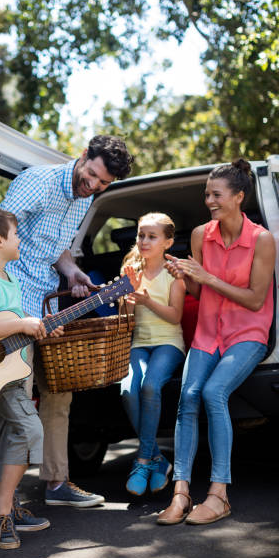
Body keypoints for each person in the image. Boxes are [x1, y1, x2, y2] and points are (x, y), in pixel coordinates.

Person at [0, 136, 133, 507]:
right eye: (91, 175)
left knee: (59, 394)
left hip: (46, 307)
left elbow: (58, 249)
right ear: (83, 155)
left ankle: (57, 483)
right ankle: (6, 504)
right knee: (17, 403)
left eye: (103, 184)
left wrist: (72, 272)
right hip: (11, 305)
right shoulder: (36, 183)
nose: (93, 186)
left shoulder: (84, 198)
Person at [158, 159, 275, 526]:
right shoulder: (199, 235)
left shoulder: (262, 240)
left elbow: (256, 299)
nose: (209, 200)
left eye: (217, 194)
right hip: (208, 332)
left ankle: (219, 494)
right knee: (188, 398)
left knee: (213, 393)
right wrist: (185, 275)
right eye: (207, 194)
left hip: (248, 334)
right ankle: (180, 493)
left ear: (239, 197)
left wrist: (206, 275)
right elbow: (197, 289)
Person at [0, 207, 64, 549]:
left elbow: (10, 327)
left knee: (9, 439)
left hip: (15, 369)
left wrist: (38, 328)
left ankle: (9, 506)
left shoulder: (9, 277)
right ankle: (2, 514)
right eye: (16, 234)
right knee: (30, 429)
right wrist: (23, 323)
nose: (20, 240)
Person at [120, 213, 186, 496]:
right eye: (141, 235)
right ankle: (159, 458)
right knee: (127, 390)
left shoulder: (174, 275)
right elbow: (126, 319)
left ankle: (143, 460)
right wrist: (129, 297)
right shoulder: (131, 271)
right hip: (139, 344)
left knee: (150, 386)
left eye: (152, 236)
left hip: (168, 343)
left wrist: (147, 299)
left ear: (167, 243)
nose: (144, 241)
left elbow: (174, 316)